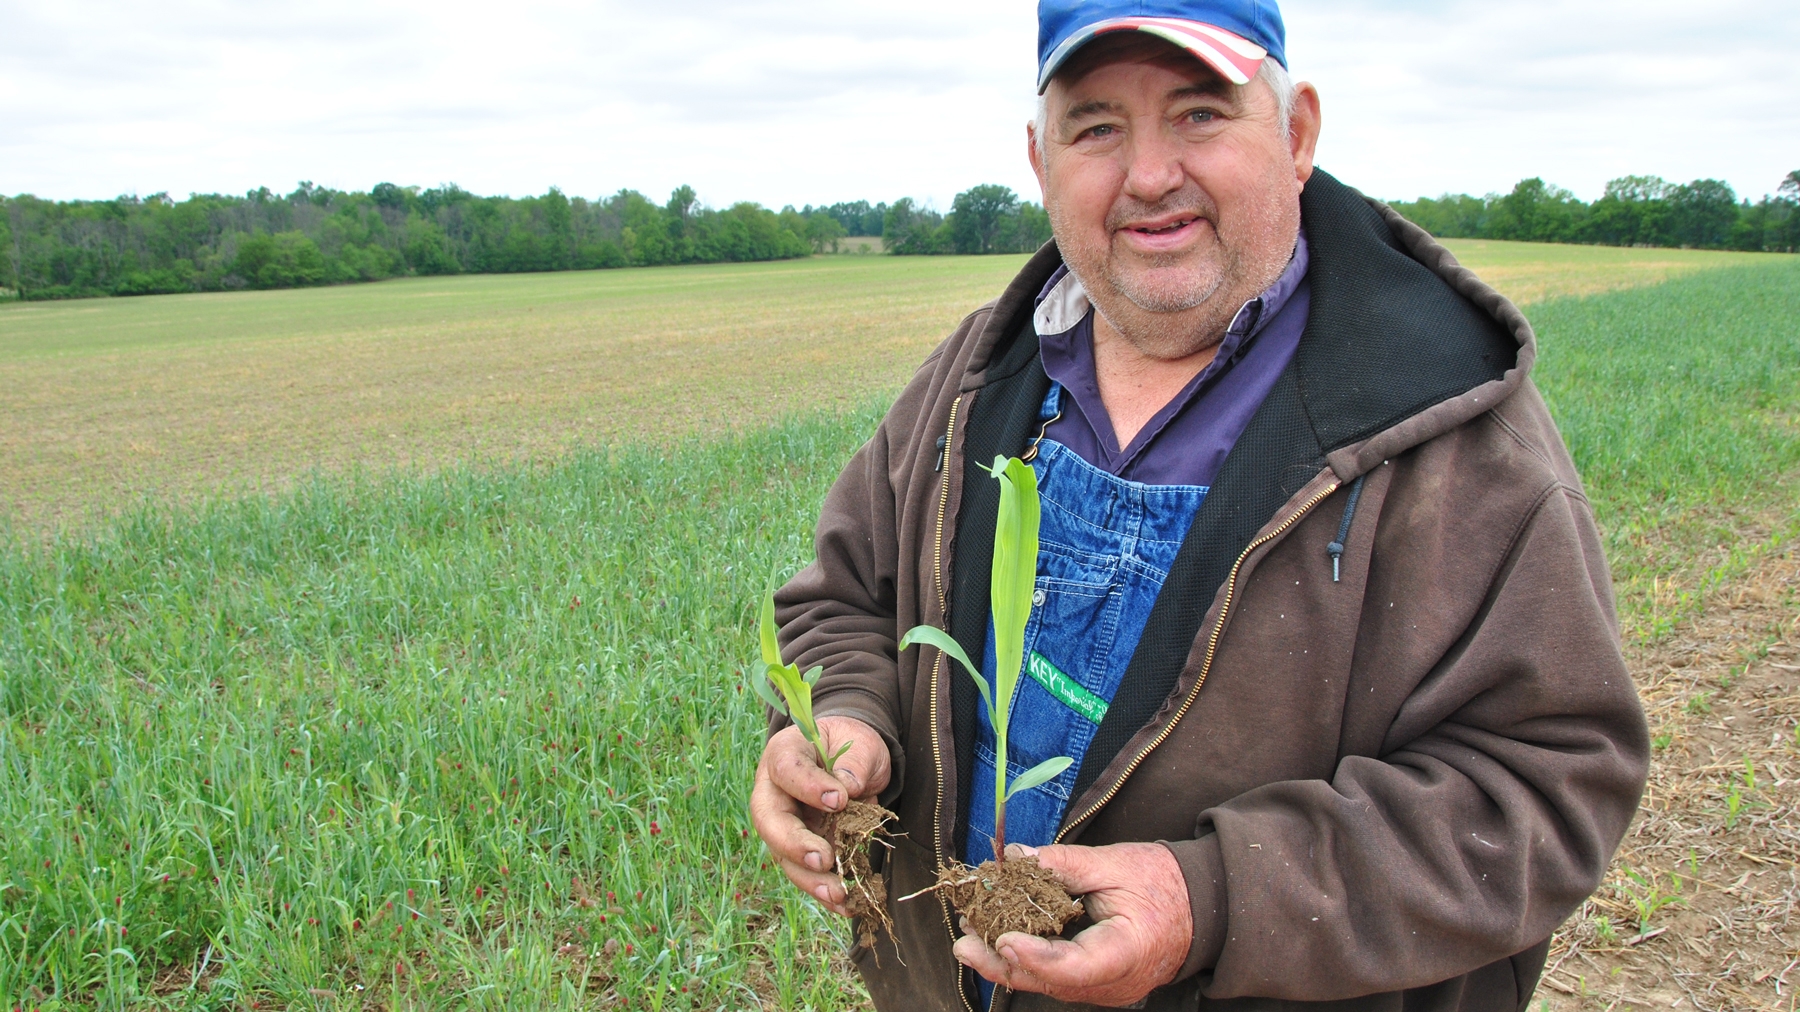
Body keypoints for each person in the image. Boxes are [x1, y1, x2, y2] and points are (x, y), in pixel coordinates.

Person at [748, 0, 1650, 1008]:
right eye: (1096, 127)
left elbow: (1545, 786)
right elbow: (840, 600)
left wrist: (1209, 899)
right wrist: (838, 723)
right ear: (1042, 162)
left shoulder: (1453, 438)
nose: (1148, 176)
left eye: (1200, 114)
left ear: (1297, 133)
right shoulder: (977, 381)